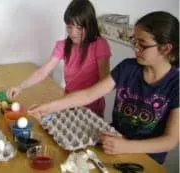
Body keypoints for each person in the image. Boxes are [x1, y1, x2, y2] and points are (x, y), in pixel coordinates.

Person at [28, 11, 179, 164]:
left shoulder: (176, 84)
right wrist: (50, 107)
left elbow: (170, 140)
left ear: (165, 48)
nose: (135, 48)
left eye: (143, 44)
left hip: (145, 158)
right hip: (111, 143)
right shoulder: (128, 68)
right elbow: (89, 95)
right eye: (134, 41)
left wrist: (127, 146)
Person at [7, 0, 111, 116]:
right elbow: (42, 72)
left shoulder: (100, 45)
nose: (73, 33)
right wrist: (20, 86)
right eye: (69, 27)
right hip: (68, 103)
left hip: (92, 109)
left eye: (79, 27)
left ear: (90, 26)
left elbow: (104, 83)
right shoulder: (63, 45)